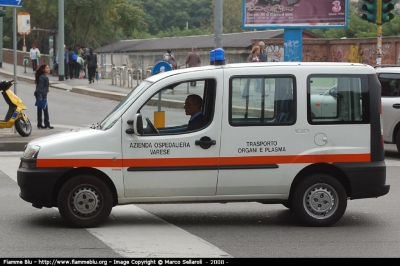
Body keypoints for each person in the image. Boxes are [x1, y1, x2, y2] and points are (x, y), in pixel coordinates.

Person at [34, 64, 53, 129]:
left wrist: (47, 88)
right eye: (47, 68)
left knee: (40, 109)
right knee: (45, 110)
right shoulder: (43, 77)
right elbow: (39, 87)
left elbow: (43, 85)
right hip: (41, 95)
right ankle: (47, 124)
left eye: (48, 68)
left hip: (41, 94)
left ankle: (39, 124)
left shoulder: (43, 76)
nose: (48, 69)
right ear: (43, 70)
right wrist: (40, 96)